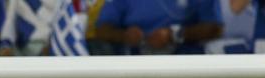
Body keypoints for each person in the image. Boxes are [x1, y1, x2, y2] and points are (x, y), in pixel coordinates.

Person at [94, 0, 223, 55]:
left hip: (184, 58)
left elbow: (215, 28)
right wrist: (124, 35)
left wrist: (174, 34)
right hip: (133, 58)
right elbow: (102, 30)